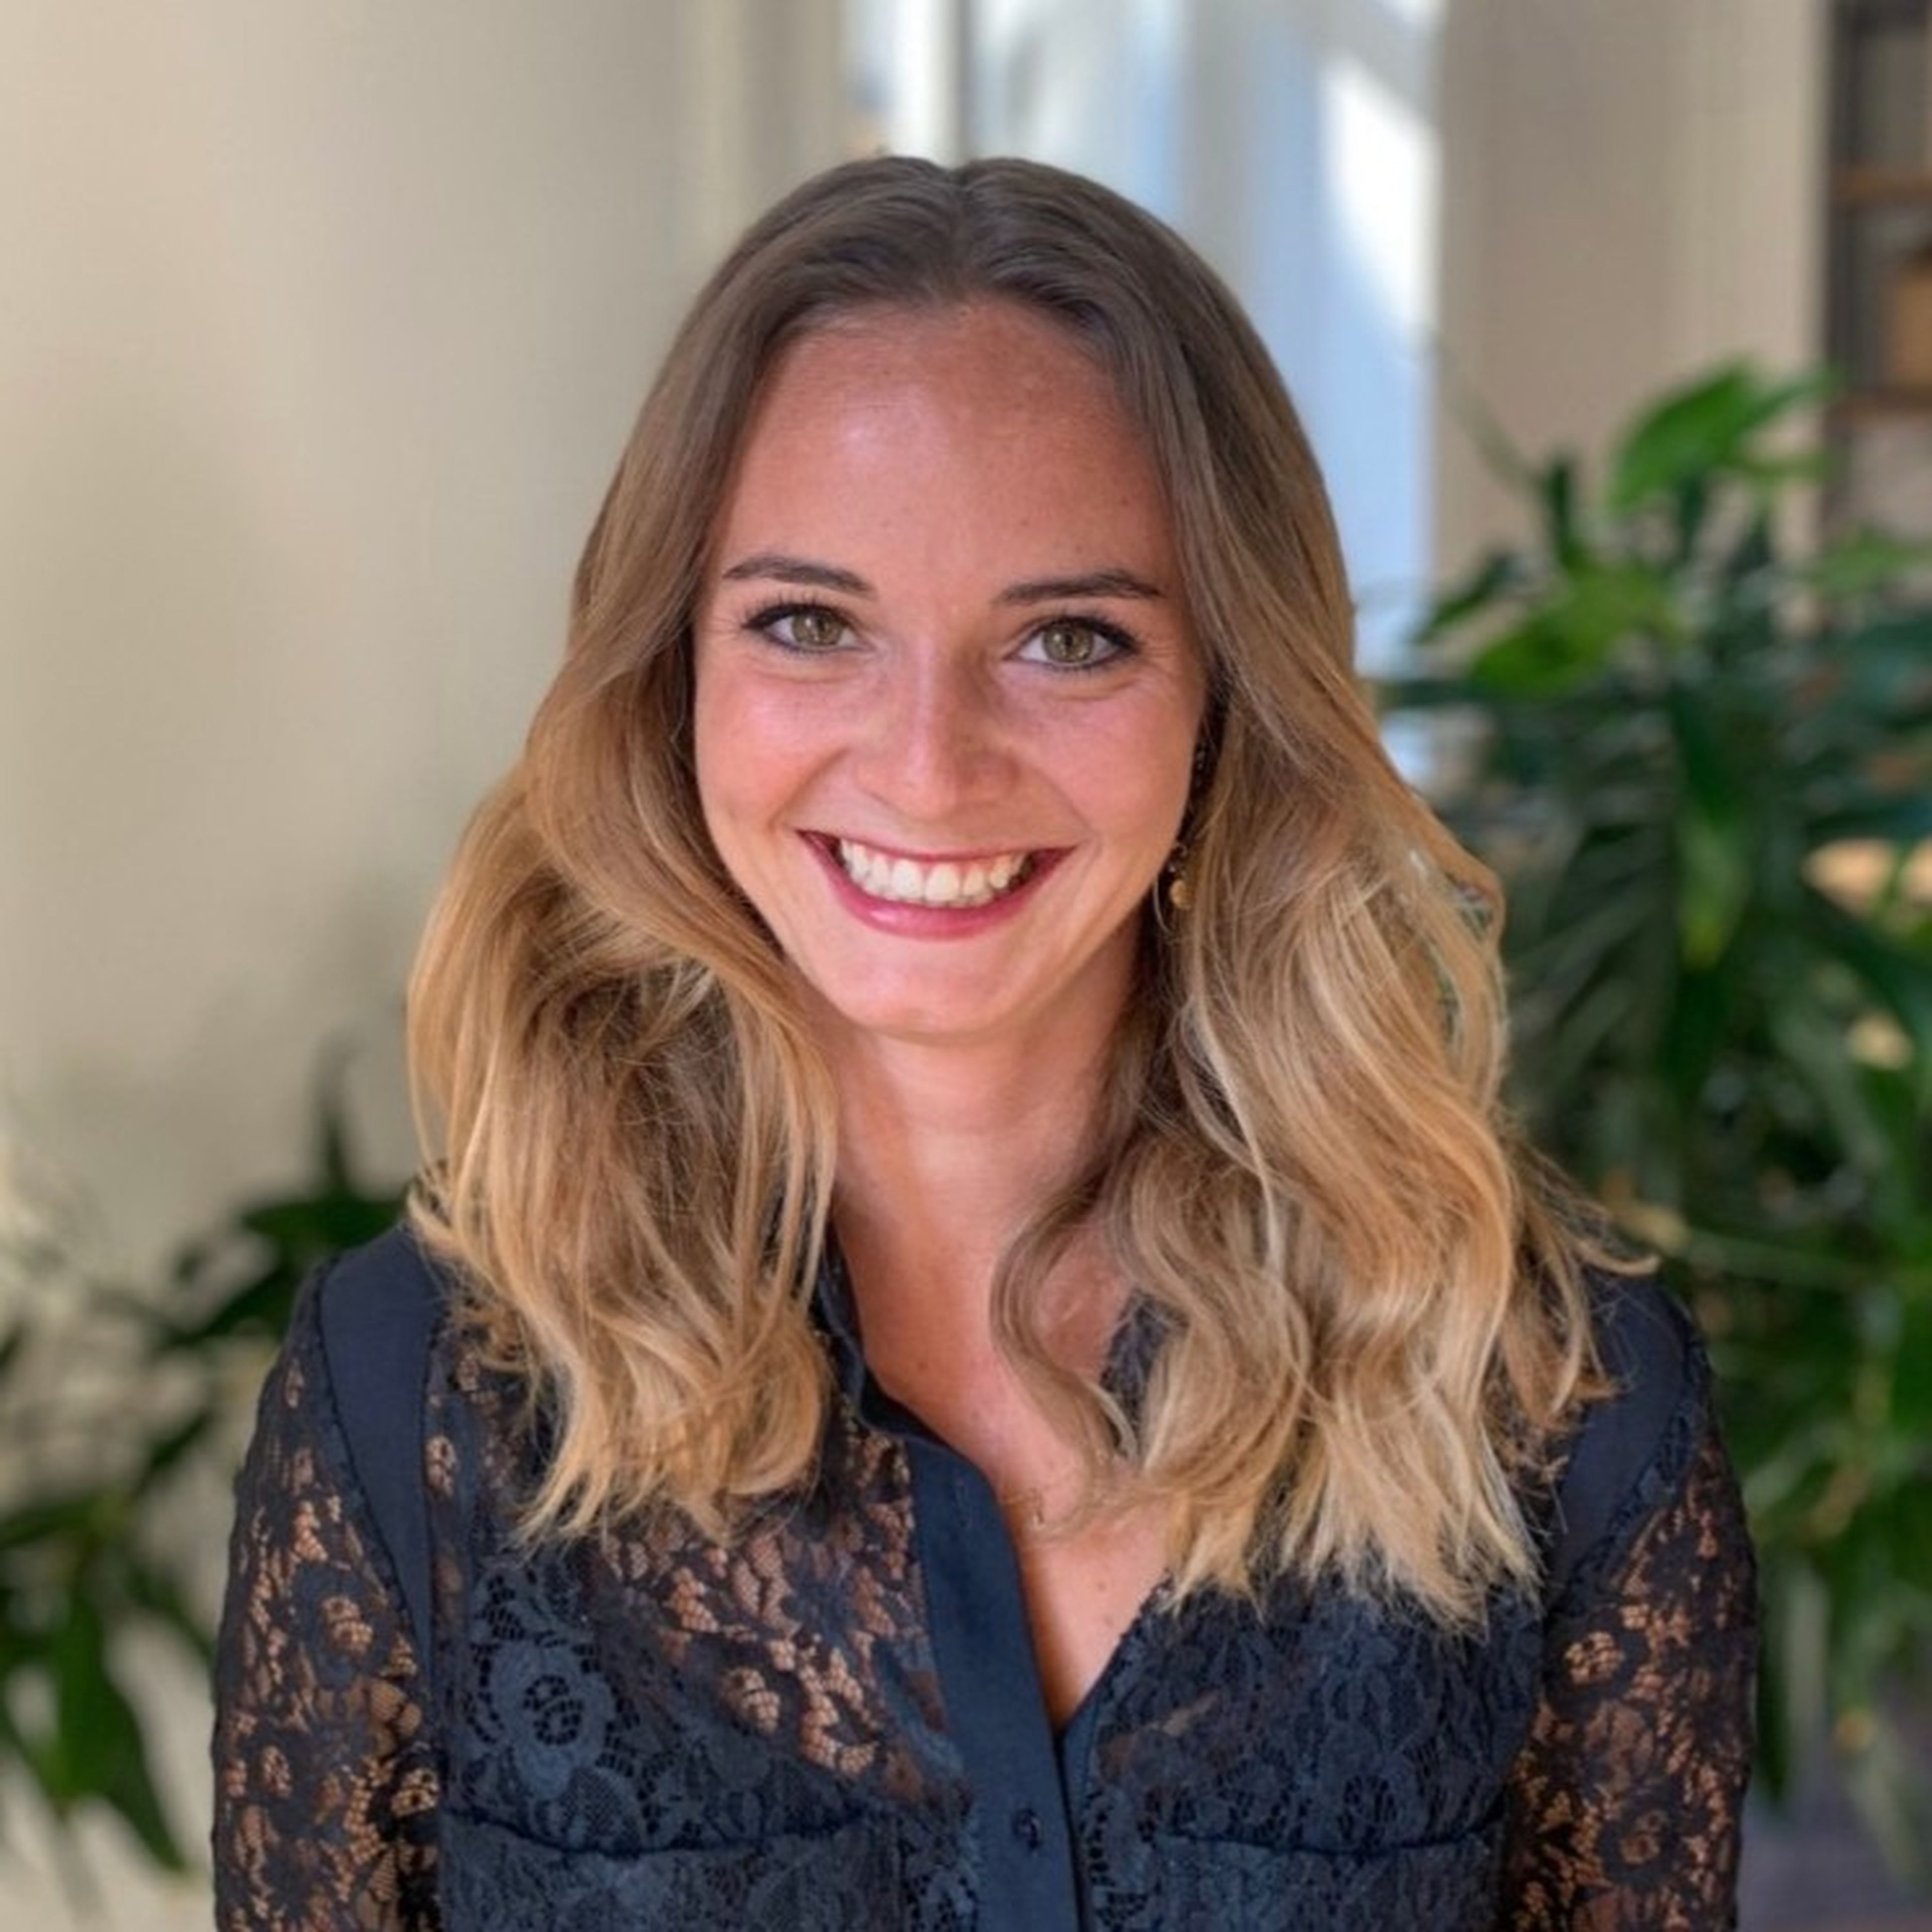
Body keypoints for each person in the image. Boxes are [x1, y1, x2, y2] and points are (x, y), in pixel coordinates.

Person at [211, 154, 1755, 1930]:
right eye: (811, 624)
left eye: (1070, 639)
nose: (930, 766)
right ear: (675, 674)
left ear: (1227, 708)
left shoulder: (1554, 1410)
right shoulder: (417, 1400)